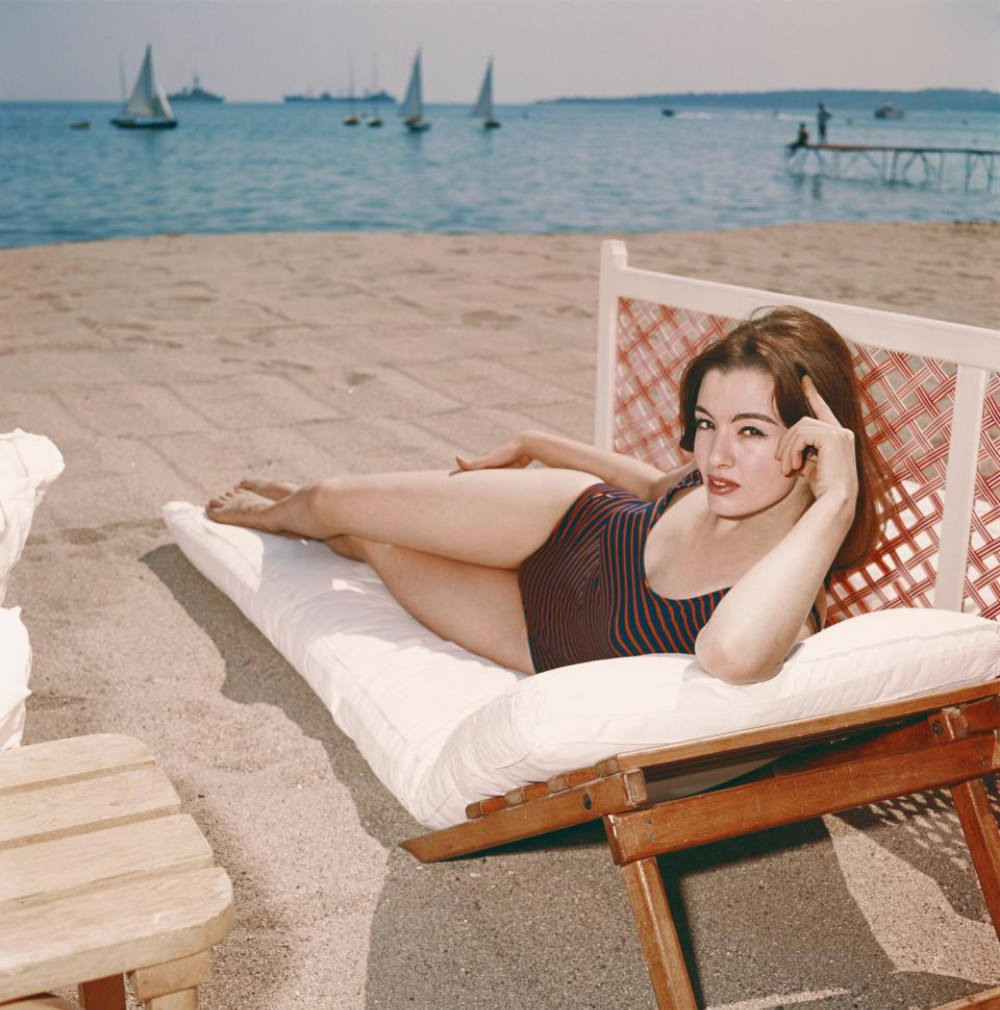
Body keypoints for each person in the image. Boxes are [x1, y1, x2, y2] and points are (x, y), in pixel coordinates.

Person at [206, 307, 891, 685]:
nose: (715, 455)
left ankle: (305, 523)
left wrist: (836, 499)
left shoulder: (788, 598)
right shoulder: (708, 479)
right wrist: (541, 442)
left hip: (536, 633)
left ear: (814, 443)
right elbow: (654, 486)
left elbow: (731, 657)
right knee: (330, 499)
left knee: (373, 542)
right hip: (570, 520)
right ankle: (278, 513)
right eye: (707, 424)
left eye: (751, 431)